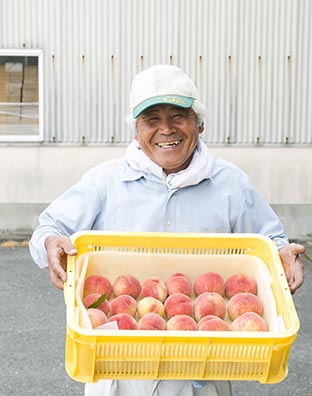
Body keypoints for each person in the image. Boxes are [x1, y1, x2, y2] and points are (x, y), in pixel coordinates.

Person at [29, 64, 304, 396]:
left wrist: (283, 256)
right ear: (136, 130)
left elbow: (269, 242)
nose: (166, 130)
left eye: (178, 116)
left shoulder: (230, 184)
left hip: (202, 371)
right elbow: (50, 227)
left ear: (199, 124)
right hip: (120, 370)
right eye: (151, 119)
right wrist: (50, 243)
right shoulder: (106, 181)